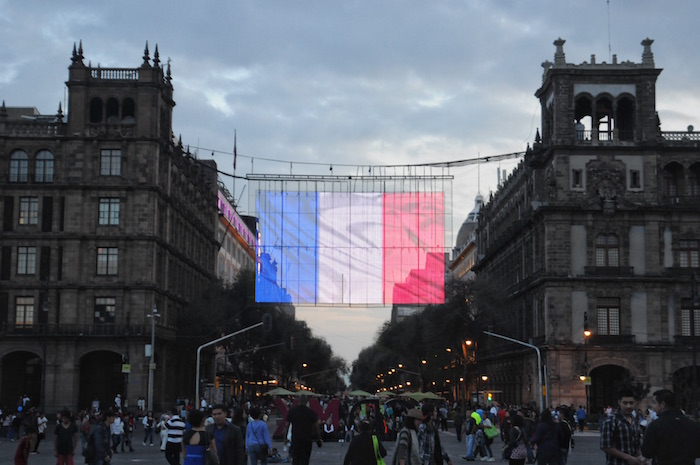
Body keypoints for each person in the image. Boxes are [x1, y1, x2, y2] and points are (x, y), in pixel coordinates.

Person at [641, 388, 700, 465]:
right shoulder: (692, 425)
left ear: (662, 404)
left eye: (654, 403)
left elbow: (647, 452)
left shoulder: (656, 425)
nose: (653, 407)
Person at [600, 388, 643, 465]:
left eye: (631, 403)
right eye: (625, 403)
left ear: (635, 403)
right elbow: (605, 446)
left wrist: (640, 456)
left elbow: (637, 444)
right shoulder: (611, 421)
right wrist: (628, 457)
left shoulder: (635, 422)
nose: (628, 406)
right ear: (619, 402)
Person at [285, 394, 321, 465]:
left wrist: (285, 438)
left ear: (298, 401)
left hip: (296, 439)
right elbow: (316, 426)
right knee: (305, 460)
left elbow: (286, 425)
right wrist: (318, 438)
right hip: (307, 440)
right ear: (307, 401)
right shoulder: (310, 412)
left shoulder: (292, 411)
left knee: (295, 459)